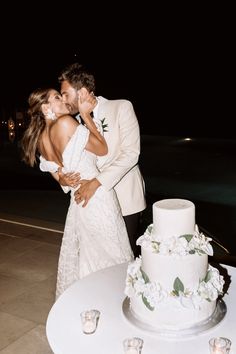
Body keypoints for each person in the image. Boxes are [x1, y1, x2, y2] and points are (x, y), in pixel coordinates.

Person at [21, 88, 133, 299]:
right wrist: (86, 116)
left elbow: (54, 170)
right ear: (46, 108)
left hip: (78, 203)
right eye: (57, 97)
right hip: (97, 198)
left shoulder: (42, 137)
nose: (63, 100)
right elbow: (102, 149)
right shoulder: (65, 123)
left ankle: (93, 302)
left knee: (90, 258)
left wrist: (63, 178)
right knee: (114, 256)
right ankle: (118, 301)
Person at [58, 62, 146, 257]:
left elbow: (131, 153)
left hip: (124, 198)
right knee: (99, 257)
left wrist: (97, 182)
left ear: (81, 92)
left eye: (65, 94)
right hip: (92, 204)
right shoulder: (72, 123)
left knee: (125, 257)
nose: (63, 100)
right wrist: (62, 179)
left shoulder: (121, 107)